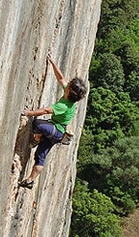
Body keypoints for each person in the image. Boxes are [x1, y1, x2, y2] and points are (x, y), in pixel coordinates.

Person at [19, 53, 88, 189]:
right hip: (57, 135)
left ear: (69, 91)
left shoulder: (64, 105)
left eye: (70, 85)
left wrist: (29, 113)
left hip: (55, 131)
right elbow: (60, 78)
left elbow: (45, 111)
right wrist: (52, 62)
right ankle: (30, 181)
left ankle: (37, 138)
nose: (67, 84)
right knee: (40, 156)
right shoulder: (70, 99)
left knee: (37, 123)